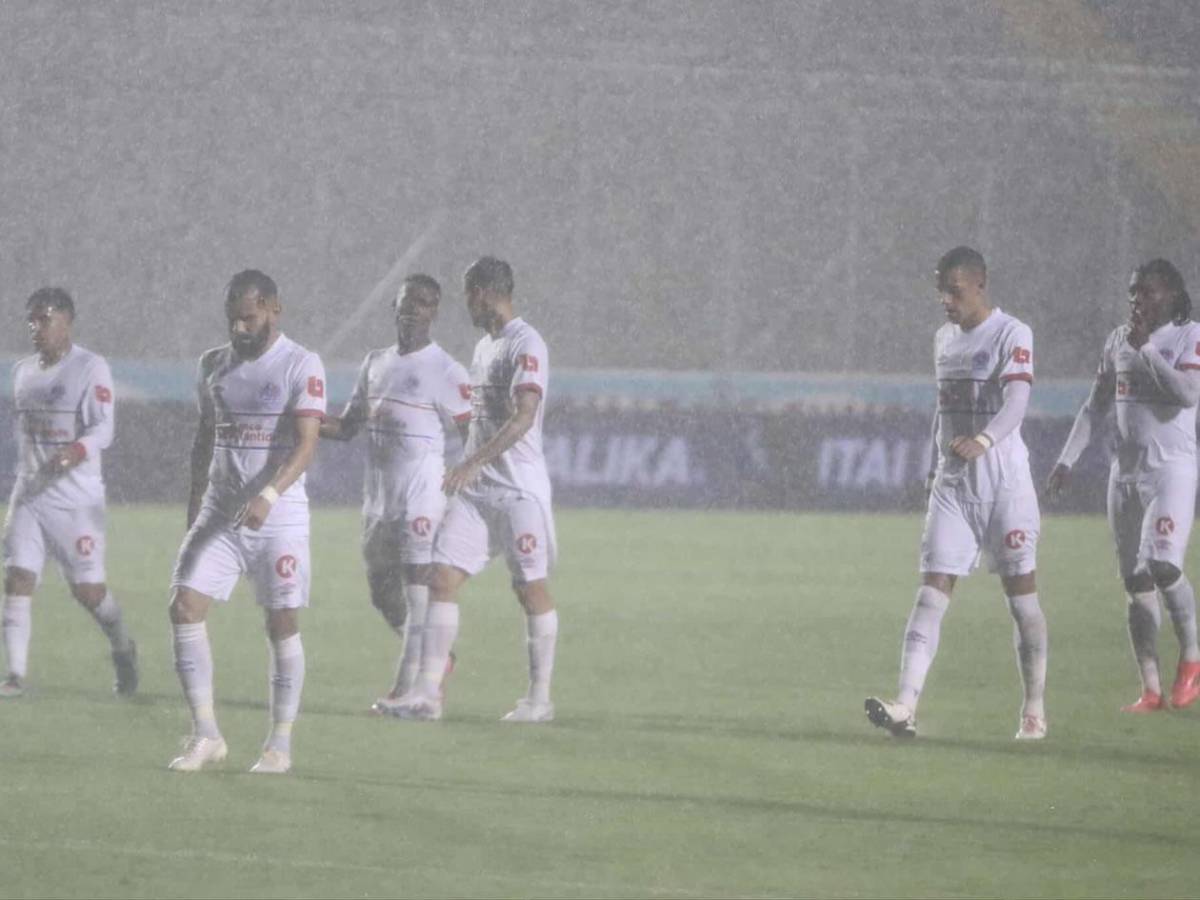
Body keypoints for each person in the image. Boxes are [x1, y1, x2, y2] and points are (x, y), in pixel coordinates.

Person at [865, 246, 1049, 740]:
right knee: (931, 591)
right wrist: (933, 470)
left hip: (1005, 486)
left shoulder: (1013, 333)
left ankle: (1033, 707)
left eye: (954, 290)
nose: (945, 300)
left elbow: (1018, 401)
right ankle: (905, 705)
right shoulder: (944, 339)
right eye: (940, 290)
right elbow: (942, 412)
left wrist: (984, 440)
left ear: (980, 284)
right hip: (953, 485)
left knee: (1021, 601)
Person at [166, 270, 325, 773]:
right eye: (232, 318)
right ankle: (206, 734)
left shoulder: (301, 363)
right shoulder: (212, 364)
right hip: (220, 513)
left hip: (278, 517)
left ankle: (279, 744)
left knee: (281, 622)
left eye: (249, 318)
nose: (239, 328)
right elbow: (203, 439)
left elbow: (307, 444)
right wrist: (195, 507)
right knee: (184, 605)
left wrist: (270, 494)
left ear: (274, 308)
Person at [393, 256, 559, 723]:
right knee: (441, 578)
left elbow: (524, 416)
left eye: (468, 293)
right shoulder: (485, 346)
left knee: (529, 588)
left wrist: (469, 461)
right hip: (478, 491)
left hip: (517, 490)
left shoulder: (527, 343)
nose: (465, 303)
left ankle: (539, 699)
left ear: (485, 292)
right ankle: (427, 695)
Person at [1047, 259, 1200, 712]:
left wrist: (1147, 352)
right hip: (1125, 473)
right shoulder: (1117, 340)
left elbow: (1186, 396)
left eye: (1147, 291)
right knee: (1135, 581)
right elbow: (1094, 407)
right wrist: (1066, 460)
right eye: (1133, 292)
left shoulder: (1188, 336)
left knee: (1163, 566)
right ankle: (1150, 688)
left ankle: (1192, 658)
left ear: (1170, 294)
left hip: (1170, 471)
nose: (1137, 300)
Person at [320, 274, 471, 713]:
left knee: (416, 592)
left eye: (424, 303)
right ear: (395, 307)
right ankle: (436, 659)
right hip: (379, 500)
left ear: (435, 311)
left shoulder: (445, 369)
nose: (414, 310)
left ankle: (407, 690)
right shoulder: (376, 362)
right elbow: (348, 426)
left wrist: (463, 477)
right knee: (381, 594)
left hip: (421, 497)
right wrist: (306, 421)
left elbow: (473, 431)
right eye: (408, 302)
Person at [2, 287, 137, 698]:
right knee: (17, 578)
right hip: (30, 494)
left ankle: (122, 646)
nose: (35, 327)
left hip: (76, 500)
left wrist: (74, 451)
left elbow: (104, 429)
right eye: (31, 319)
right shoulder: (22, 370)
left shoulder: (90, 368)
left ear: (67, 321)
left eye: (44, 319)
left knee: (88, 592)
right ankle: (15, 676)